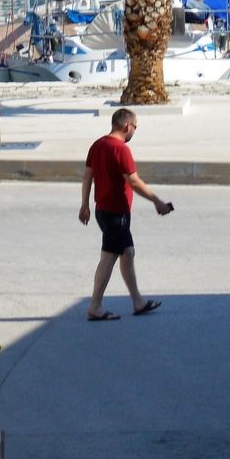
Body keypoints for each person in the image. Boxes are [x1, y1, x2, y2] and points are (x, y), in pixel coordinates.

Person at [79, 106, 171, 321]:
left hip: (103, 210)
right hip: (115, 213)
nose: (134, 132)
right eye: (135, 128)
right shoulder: (120, 150)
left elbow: (87, 177)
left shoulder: (98, 145)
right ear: (127, 126)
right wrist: (157, 201)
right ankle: (95, 306)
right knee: (108, 257)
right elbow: (133, 180)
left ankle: (138, 302)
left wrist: (84, 205)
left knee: (127, 253)